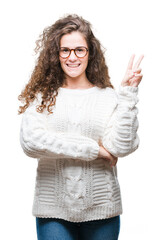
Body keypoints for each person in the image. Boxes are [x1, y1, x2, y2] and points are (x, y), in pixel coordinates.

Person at [18, 14, 143, 240]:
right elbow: (31, 142)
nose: (72, 57)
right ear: (55, 55)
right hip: (53, 211)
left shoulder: (108, 97)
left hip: (102, 208)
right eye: (64, 50)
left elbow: (121, 147)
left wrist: (128, 94)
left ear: (90, 53)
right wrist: (94, 150)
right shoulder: (43, 97)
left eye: (79, 50)